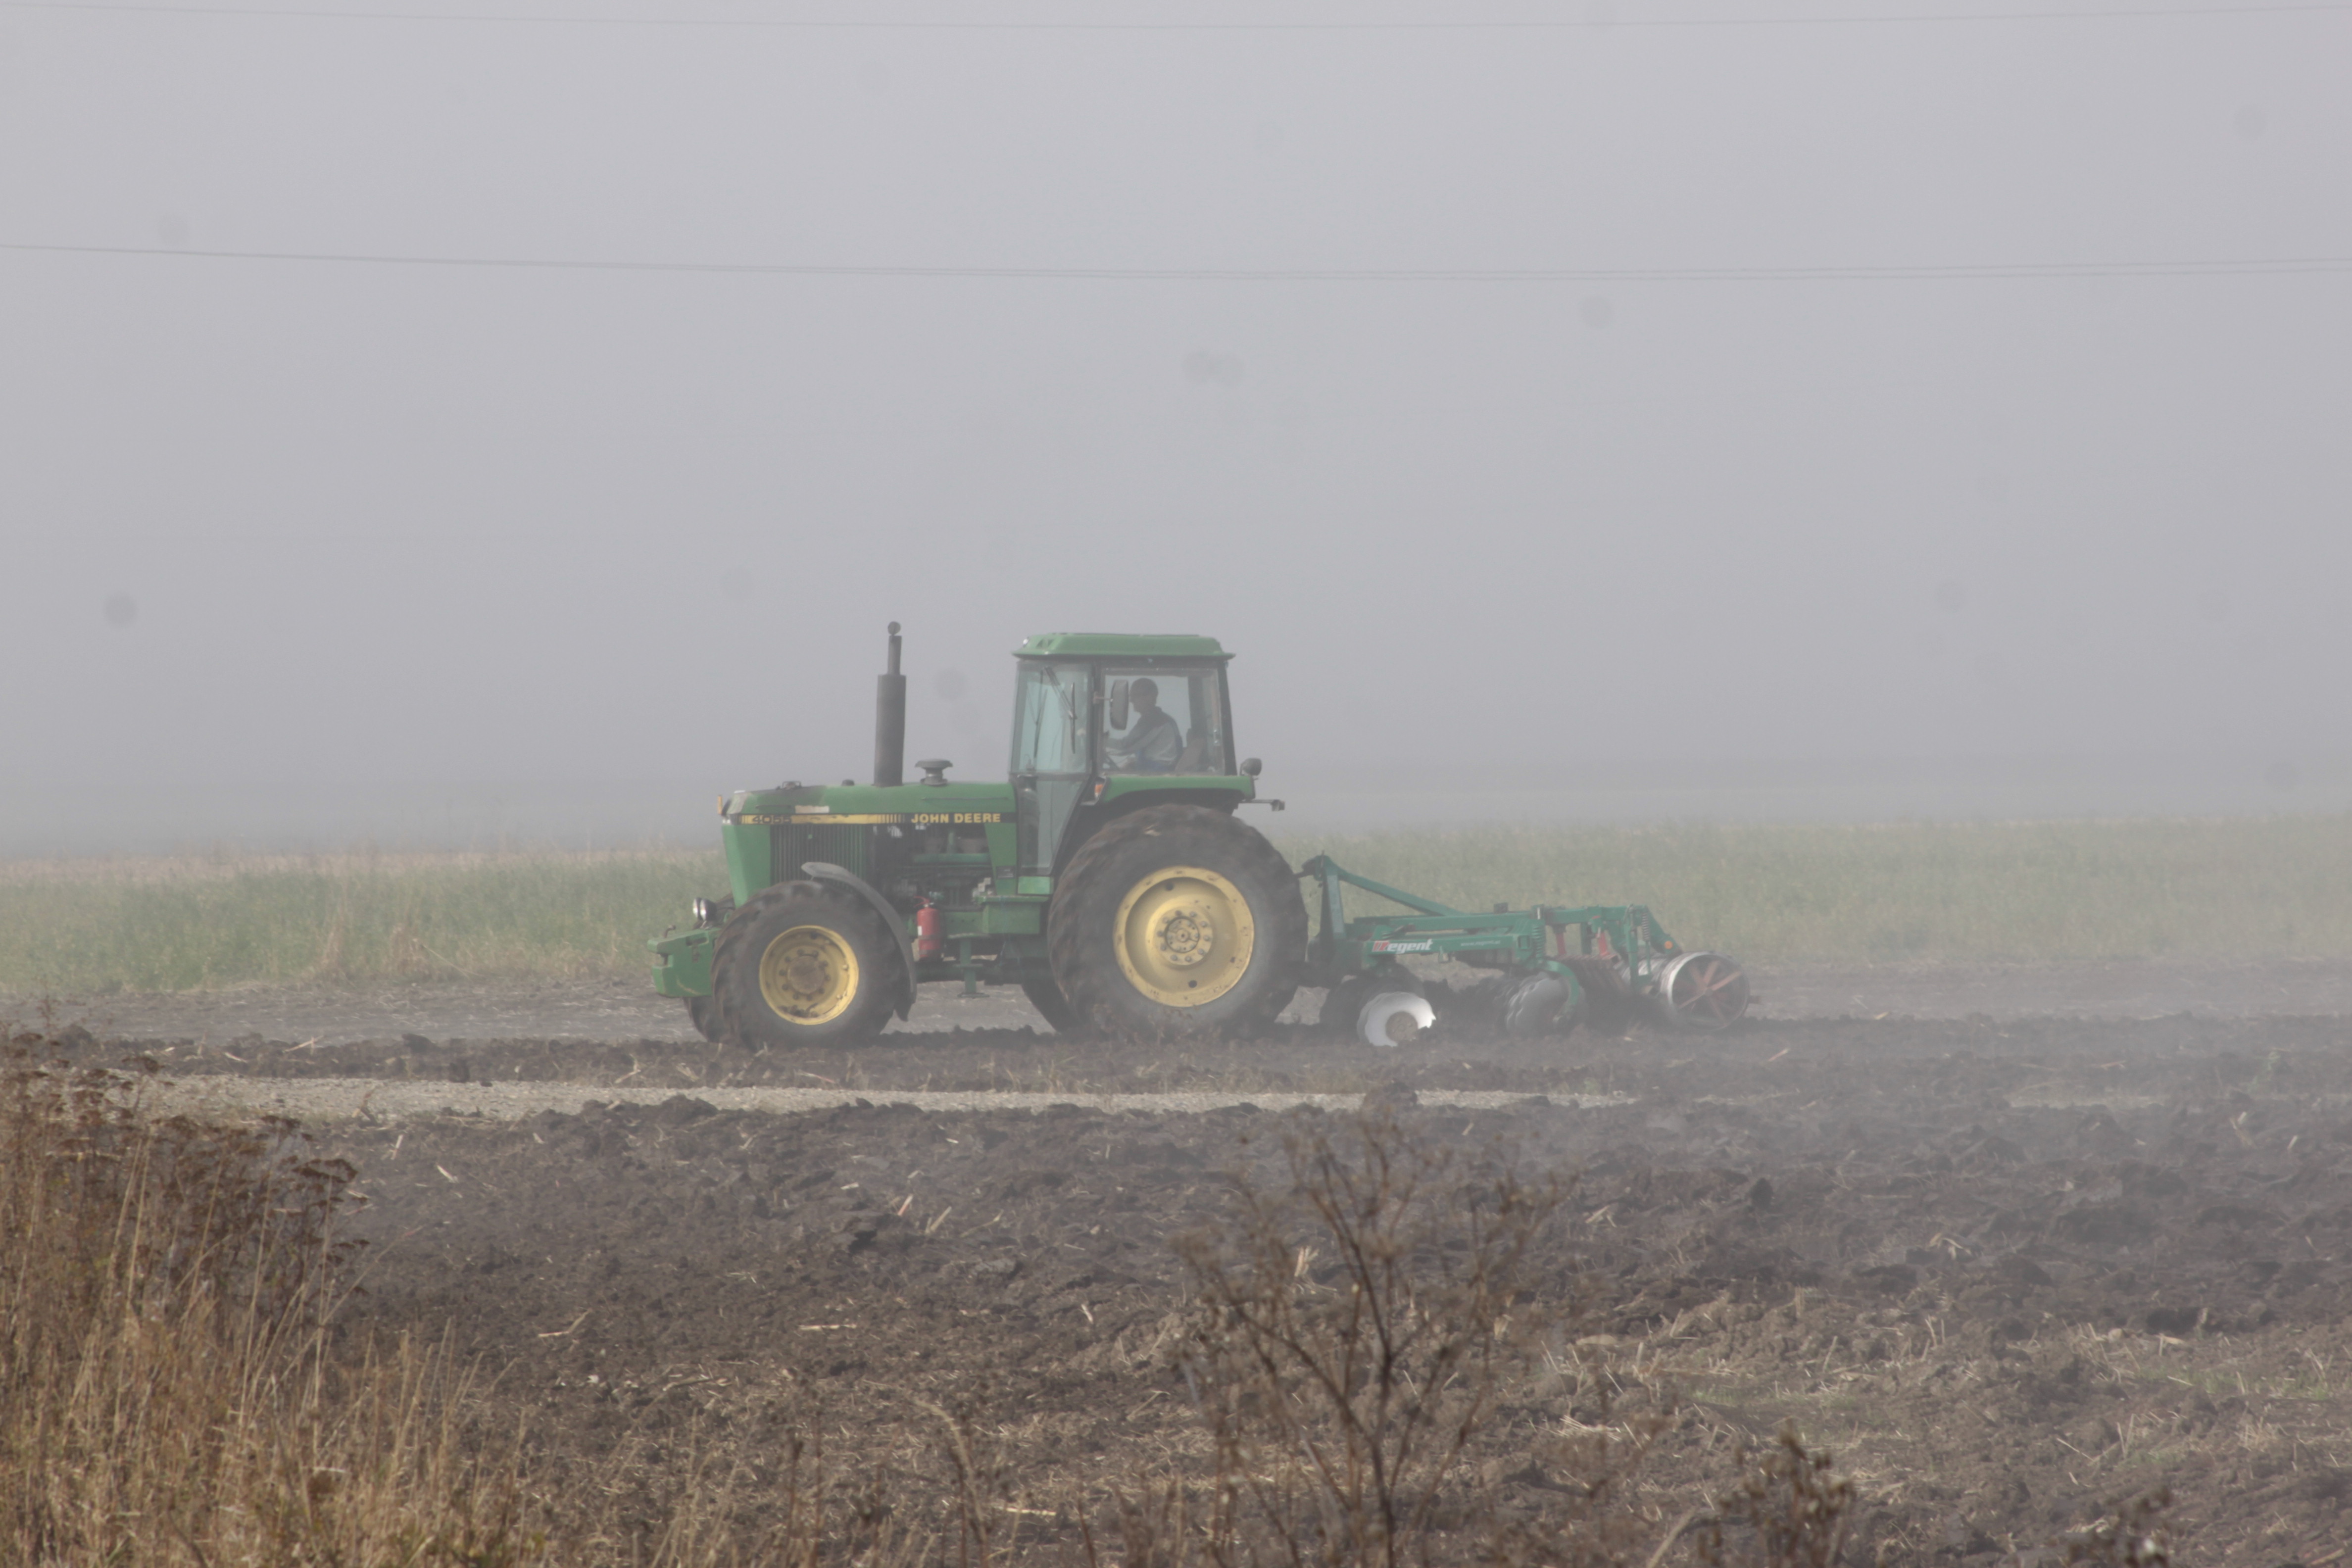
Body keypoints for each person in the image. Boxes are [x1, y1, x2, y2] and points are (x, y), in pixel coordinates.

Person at [1106, 678, 1183, 773]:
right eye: (1131, 696)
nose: (1131, 700)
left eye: (1136, 695)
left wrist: (1098, 741)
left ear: (1150, 697)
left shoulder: (1155, 720)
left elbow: (1124, 747)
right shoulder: (1160, 719)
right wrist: (1135, 763)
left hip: (1158, 776)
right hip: (1156, 772)